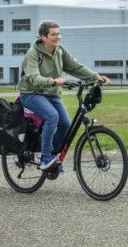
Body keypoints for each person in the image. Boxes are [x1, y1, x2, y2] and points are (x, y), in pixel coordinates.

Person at [17, 20, 110, 169]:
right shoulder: (33, 53)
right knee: (52, 116)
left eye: (58, 34)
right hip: (31, 93)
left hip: (51, 93)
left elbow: (76, 67)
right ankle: (45, 158)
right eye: (53, 34)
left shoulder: (60, 51)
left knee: (65, 123)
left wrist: (95, 77)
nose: (57, 37)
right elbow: (33, 77)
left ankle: (54, 157)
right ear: (43, 37)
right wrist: (52, 81)